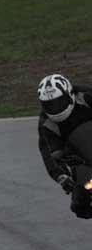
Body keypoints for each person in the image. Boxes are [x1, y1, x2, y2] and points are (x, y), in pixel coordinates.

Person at [38, 74, 92, 218]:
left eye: (58, 102)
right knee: (79, 202)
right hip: (81, 157)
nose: (55, 108)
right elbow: (48, 152)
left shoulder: (85, 95)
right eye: (49, 105)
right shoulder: (46, 124)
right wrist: (61, 176)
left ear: (69, 94)